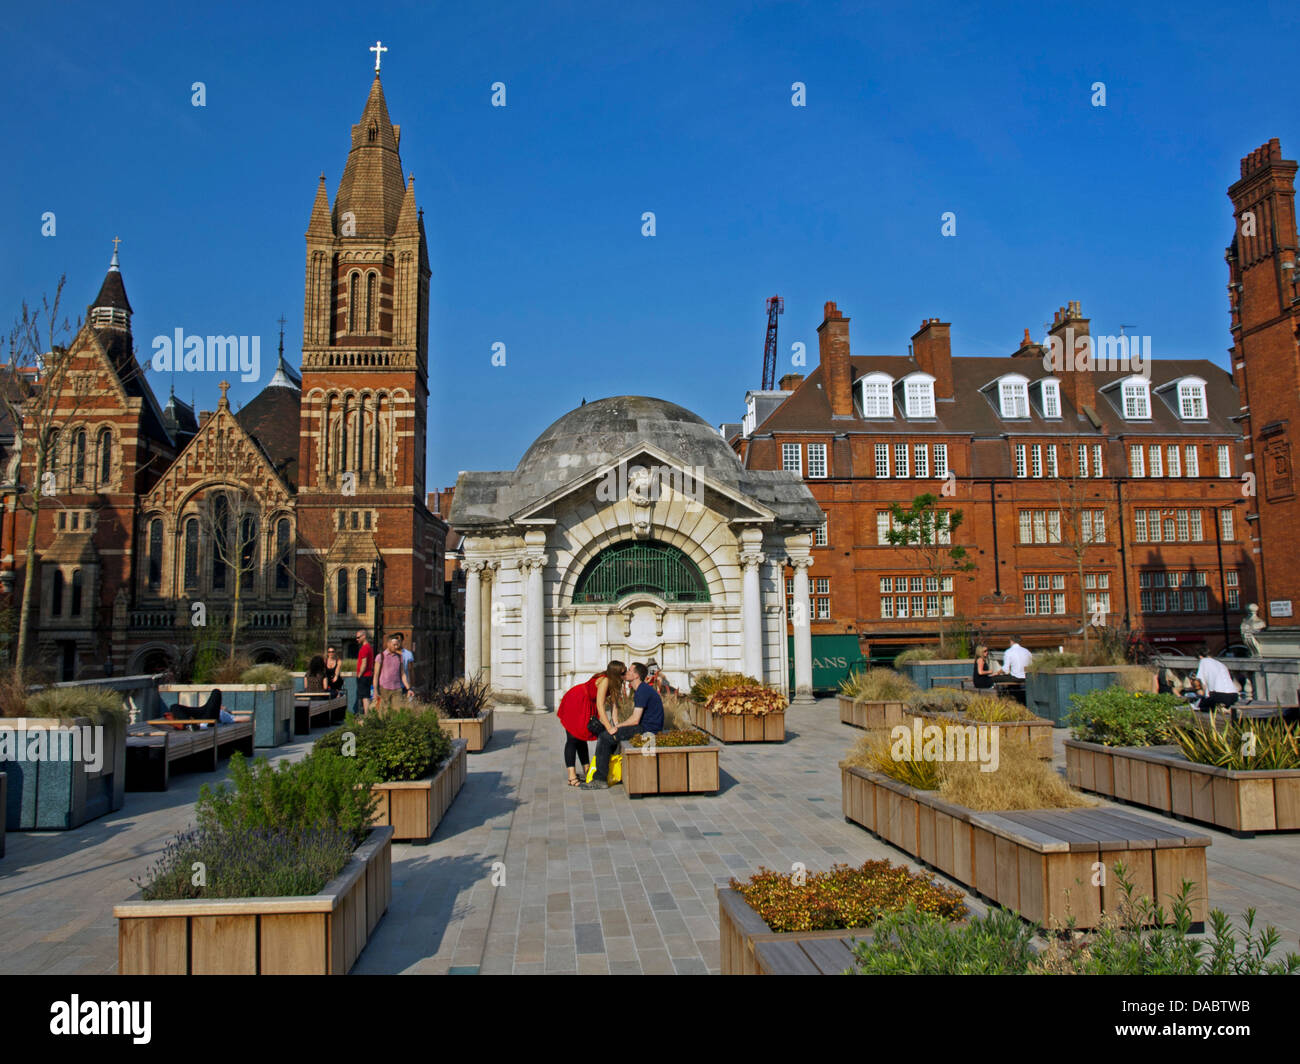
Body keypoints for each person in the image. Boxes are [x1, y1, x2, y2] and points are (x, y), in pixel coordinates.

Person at [582, 661, 664, 790]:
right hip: (645, 727)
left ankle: (600, 779)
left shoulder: (642, 690)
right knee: (608, 734)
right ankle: (610, 774)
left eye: (629, 671)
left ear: (636, 676)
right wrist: (617, 726)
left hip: (647, 730)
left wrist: (618, 727)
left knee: (605, 737)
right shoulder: (642, 689)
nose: (625, 673)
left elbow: (635, 720)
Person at [556, 661, 626, 787]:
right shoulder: (605, 680)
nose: (625, 675)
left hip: (587, 703)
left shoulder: (617, 683)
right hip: (577, 700)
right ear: (616, 673)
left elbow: (614, 705)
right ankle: (571, 776)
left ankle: (587, 770)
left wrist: (616, 724)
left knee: (582, 736)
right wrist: (609, 728)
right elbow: (600, 706)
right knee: (572, 738)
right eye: (623, 672)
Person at [1193, 646, 1240, 718]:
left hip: (1220, 696)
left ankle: (1220, 708)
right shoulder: (1220, 664)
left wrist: (1202, 695)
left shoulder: (1203, 661)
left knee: (1199, 705)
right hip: (1234, 696)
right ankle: (1225, 707)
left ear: (1200, 656)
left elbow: (1201, 683)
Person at [375, 634, 411, 706]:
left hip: (397, 688)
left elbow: (403, 674)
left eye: (397, 645)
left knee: (397, 712)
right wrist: (375, 691)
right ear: (388, 644)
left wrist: (408, 688)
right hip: (384, 688)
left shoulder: (399, 657)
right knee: (384, 713)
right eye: (394, 645)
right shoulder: (380, 657)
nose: (396, 647)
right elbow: (376, 675)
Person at [354, 629, 374, 714]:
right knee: (365, 696)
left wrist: (359, 675)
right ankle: (366, 714)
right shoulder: (369, 647)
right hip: (368, 675)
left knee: (365, 697)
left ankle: (366, 715)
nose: (357, 639)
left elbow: (364, 663)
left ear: (364, 636)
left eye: (358, 637)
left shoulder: (364, 648)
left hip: (364, 676)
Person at [395, 632, 416, 700]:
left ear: (402, 641)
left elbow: (411, 670)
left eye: (399, 640)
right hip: (393, 685)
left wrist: (412, 686)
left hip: (405, 685)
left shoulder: (408, 654)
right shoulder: (390, 654)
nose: (397, 642)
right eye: (396, 640)